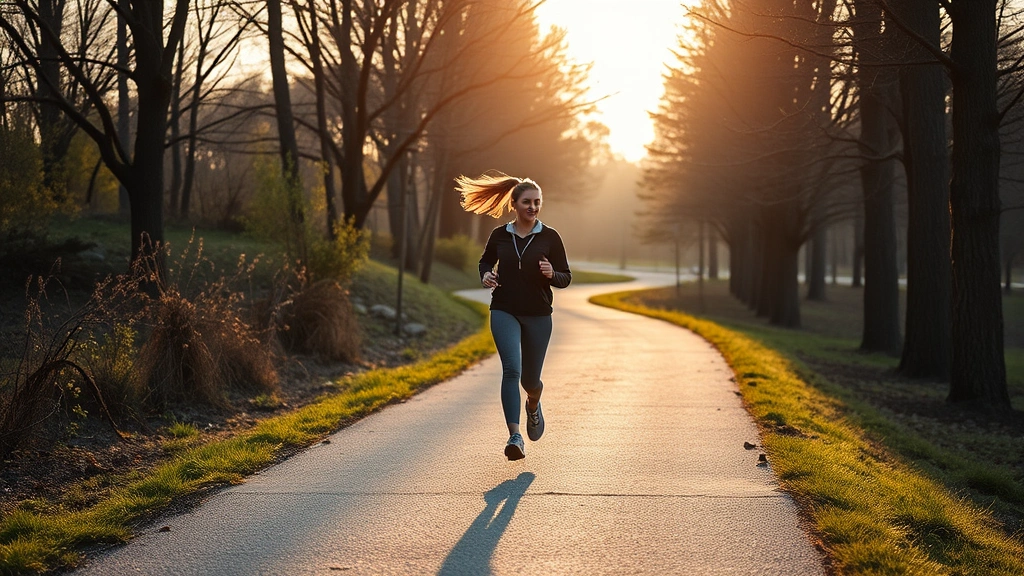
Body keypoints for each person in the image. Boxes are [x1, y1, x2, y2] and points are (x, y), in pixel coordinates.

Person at [456, 172, 572, 461]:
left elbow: (566, 276)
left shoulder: (550, 237)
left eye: (537, 202)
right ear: (514, 205)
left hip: (538, 314)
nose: (533, 207)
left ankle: (533, 404)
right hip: (504, 308)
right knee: (511, 370)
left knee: (530, 380)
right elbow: (485, 261)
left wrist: (552, 274)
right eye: (527, 202)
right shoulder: (500, 235)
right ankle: (515, 436)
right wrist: (485, 275)